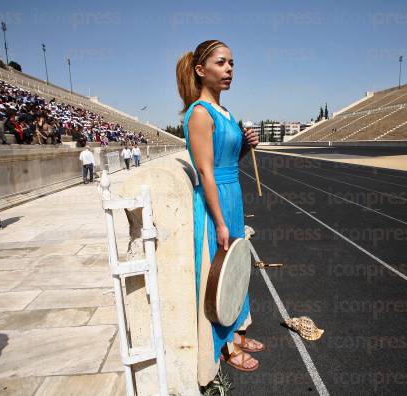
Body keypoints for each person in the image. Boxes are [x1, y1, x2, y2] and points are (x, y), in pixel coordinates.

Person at [176, 39, 261, 384]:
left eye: (232, 64)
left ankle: (236, 332)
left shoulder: (226, 113)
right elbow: (206, 171)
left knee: (235, 270)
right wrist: (220, 221)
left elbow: (226, 162)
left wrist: (246, 146)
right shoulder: (199, 113)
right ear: (201, 70)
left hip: (232, 194)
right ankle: (223, 346)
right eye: (221, 63)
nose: (229, 70)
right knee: (216, 277)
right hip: (214, 203)